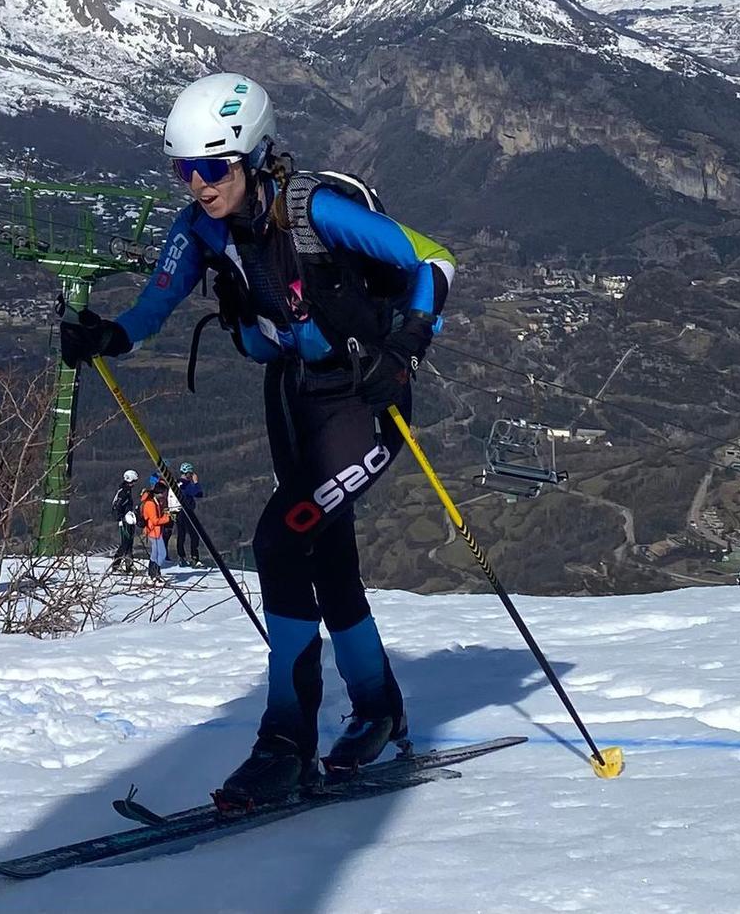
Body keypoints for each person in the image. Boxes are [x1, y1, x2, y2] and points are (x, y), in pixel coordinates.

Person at [60, 71, 454, 805]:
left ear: (252, 157)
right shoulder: (198, 229)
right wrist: (107, 336)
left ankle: (286, 744)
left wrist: (405, 349)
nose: (197, 184)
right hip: (293, 400)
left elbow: (432, 258)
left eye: (212, 168)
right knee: (326, 557)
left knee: (279, 538)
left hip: (365, 400)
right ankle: (378, 707)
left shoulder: (315, 212)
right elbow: (154, 305)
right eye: (184, 169)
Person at [140, 481, 172, 584]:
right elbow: (155, 521)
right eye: (163, 493)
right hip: (154, 532)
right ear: (159, 493)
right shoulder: (151, 504)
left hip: (154, 531)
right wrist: (167, 517)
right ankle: (155, 573)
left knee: (155, 554)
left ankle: (153, 573)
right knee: (162, 554)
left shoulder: (154, 502)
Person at [175, 463, 204, 568]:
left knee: (181, 535)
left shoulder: (176, 483)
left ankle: (181, 557)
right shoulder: (186, 484)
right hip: (186, 512)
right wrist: (196, 482)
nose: (191, 475)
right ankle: (194, 558)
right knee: (194, 535)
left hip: (177, 512)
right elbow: (198, 493)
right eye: (190, 473)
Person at [111, 468, 139, 573]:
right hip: (124, 520)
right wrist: (122, 516)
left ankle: (129, 564)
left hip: (128, 518)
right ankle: (116, 564)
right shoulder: (123, 492)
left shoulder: (126, 490)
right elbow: (117, 506)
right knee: (125, 543)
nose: (134, 484)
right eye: (134, 481)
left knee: (129, 542)